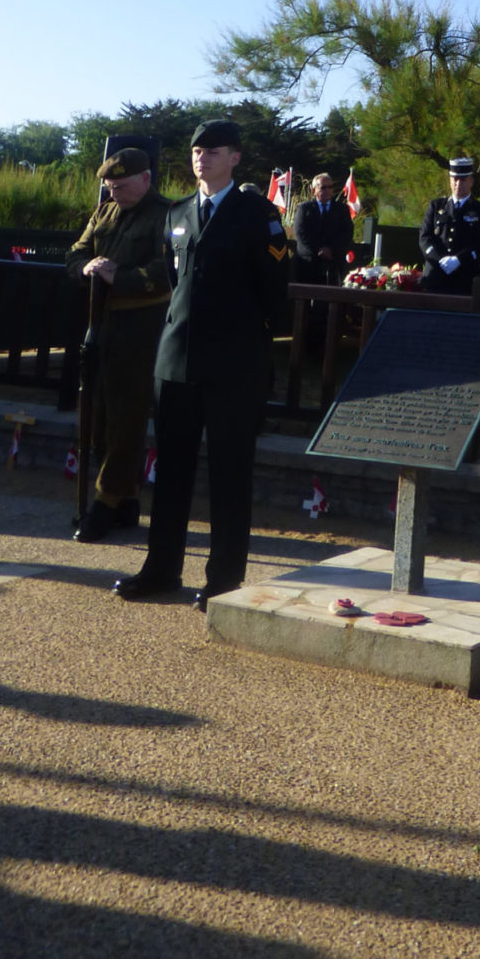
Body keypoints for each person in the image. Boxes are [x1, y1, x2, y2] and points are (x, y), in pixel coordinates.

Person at [113, 119, 291, 609]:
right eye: (196, 149)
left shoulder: (258, 214)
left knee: (230, 475)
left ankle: (223, 581)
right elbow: (176, 282)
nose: (201, 156)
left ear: (235, 158)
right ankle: (160, 570)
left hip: (233, 365)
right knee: (169, 472)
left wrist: (251, 350)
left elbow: (275, 295)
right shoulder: (178, 212)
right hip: (176, 362)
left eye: (213, 150)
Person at [65, 148, 171, 542]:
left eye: (121, 187)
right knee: (98, 411)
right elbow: (77, 251)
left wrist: (119, 276)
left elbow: (168, 270)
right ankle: (125, 500)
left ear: (145, 179)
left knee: (126, 414)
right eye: (109, 187)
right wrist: (86, 268)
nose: (114, 194)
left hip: (141, 325)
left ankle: (105, 502)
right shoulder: (105, 212)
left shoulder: (168, 215)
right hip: (101, 323)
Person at [418, 156, 480, 294]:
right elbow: (424, 238)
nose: (458, 183)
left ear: (471, 181)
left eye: (463, 179)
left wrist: (458, 260)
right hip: (435, 277)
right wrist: (439, 259)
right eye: (455, 179)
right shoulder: (436, 206)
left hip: (464, 280)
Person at [293, 172, 354, 289]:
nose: (327, 190)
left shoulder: (342, 209)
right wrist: (319, 250)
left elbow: (347, 233)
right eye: (323, 187)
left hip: (334, 262)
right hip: (309, 263)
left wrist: (331, 249)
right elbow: (300, 233)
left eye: (330, 187)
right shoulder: (304, 208)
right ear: (313, 190)